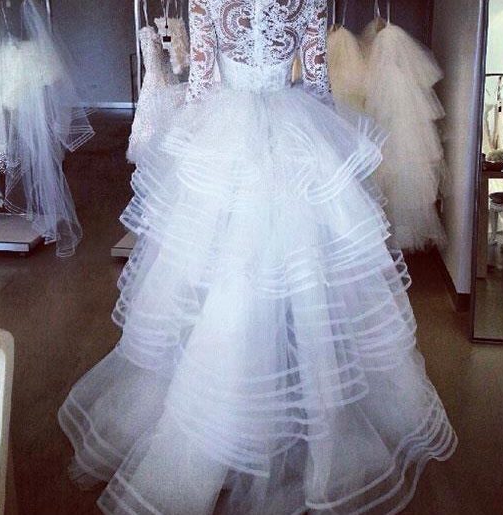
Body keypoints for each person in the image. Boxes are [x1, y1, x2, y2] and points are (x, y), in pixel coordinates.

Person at [59, 1, 457, 513]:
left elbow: (201, 86)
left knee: (220, 282)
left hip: (226, 135)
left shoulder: (206, 1)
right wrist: (323, 146)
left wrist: (195, 145)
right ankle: (303, 426)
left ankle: (225, 427)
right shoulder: (308, 1)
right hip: (294, 132)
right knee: (302, 287)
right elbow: (317, 85)